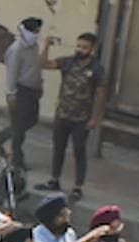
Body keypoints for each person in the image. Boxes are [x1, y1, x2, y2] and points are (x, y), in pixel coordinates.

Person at [34, 32, 106, 199]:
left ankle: (77, 186)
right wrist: (46, 46)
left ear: (92, 49)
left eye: (84, 47)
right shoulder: (68, 62)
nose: (80, 50)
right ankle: (54, 179)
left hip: (81, 118)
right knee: (58, 148)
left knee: (79, 151)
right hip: (63, 114)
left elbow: (101, 94)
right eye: (78, 46)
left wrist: (95, 118)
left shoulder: (97, 69)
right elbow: (44, 64)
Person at [0, 17, 44, 170]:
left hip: (33, 90)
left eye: (38, 31)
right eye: (34, 31)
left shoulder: (34, 47)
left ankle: (1, 136)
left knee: (31, 120)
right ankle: (17, 160)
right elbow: (11, 74)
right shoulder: (16, 50)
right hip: (21, 91)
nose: (36, 34)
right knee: (19, 128)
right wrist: (11, 94)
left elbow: (35, 67)